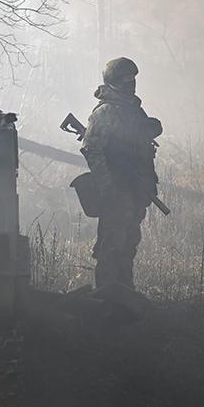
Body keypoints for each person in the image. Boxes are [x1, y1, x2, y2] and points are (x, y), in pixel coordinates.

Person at [81, 57, 161, 290]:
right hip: (117, 189)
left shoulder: (133, 110)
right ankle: (107, 299)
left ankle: (125, 295)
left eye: (133, 79)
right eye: (126, 79)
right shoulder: (105, 112)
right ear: (114, 81)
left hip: (135, 190)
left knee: (128, 245)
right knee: (111, 247)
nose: (131, 84)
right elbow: (91, 149)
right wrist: (108, 187)